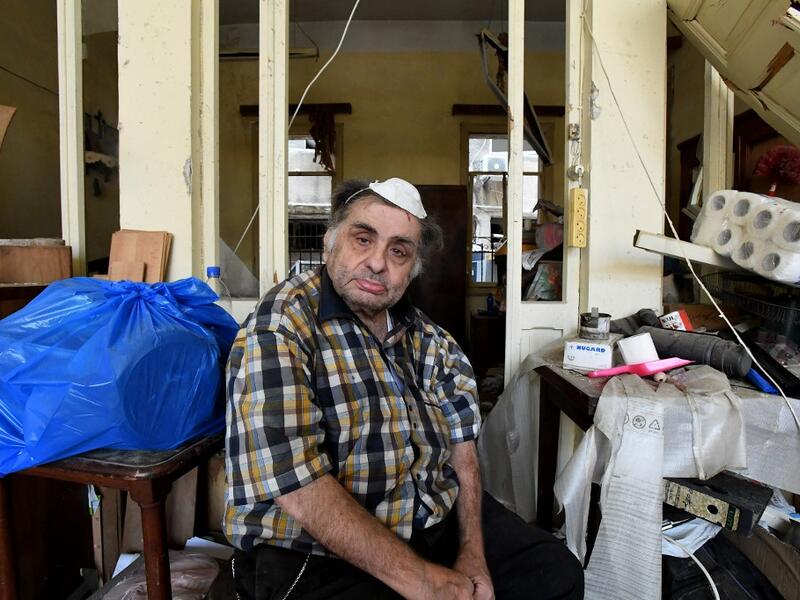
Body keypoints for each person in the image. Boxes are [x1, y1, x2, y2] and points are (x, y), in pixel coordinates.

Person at [224, 178, 584, 600]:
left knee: (554, 572)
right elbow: (296, 485)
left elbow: (463, 455)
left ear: (411, 269)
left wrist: (472, 554)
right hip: (313, 548)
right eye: (363, 239)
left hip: (432, 520)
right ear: (330, 243)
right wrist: (424, 582)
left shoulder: (434, 342)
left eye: (398, 251)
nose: (378, 263)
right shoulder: (282, 325)